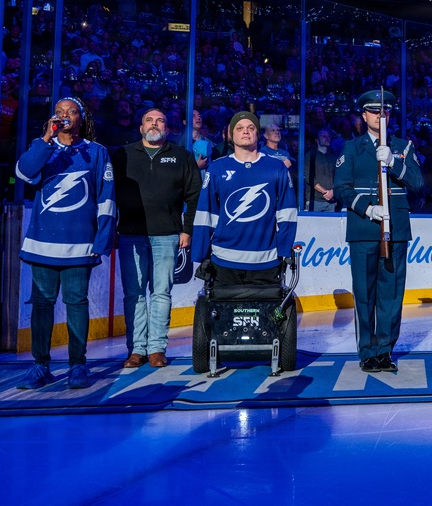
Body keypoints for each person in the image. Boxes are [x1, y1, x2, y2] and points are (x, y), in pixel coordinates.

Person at [14, 97, 115, 389]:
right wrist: (45, 138)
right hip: (43, 243)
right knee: (42, 305)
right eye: (58, 112)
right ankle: (40, 366)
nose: (64, 116)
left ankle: (77, 366)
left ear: (81, 118)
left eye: (70, 111)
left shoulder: (96, 152)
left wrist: (103, 237)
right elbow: (23, 173)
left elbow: (107, 197)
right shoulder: (45, 148)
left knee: (76, 303)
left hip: (80, 245)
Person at [334, 90, 422, 373]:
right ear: (364, 115)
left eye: (384, 111)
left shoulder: (403, 147)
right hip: (363, 229)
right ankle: (367, 351)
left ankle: (384, 350)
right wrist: (368, 209)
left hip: (395, 230)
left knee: (391, 294)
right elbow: (342, 189)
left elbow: (418, 182)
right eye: (373, 111)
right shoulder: (352, 148)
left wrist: (395, 162)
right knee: (364, 293)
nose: (379, 115)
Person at [112, 109, 201, 369]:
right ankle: (137, 349)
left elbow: (194, 196)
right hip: (130, 235)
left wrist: (187, 230)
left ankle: (157, 349)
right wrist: (110, 229)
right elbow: (108, 195)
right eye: (149, 120)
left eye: (160, 120)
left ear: (167, 127)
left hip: (167, 235)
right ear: (141, 128)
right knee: (134, 294)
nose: (154, 124)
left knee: (161, 293)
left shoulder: (182, 157)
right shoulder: (122, 155)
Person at [191, 111, 297, 296]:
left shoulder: (276, 167)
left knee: (268, 323)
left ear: (257, 134)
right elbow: (205, 213)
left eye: (250, 128)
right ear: (231, 135)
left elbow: (287, 213)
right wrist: (201, 254)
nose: (245, 132)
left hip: (266, 261)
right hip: (224, 261)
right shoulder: (217, 168)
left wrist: (284, 250)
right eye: (239, 128)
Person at [305, 128, 337, 211]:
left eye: (328, 136)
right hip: (315, 201)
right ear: (317, 140)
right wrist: (325, 192)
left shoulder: (333, 157)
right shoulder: (310, 156)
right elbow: (309, 177)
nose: (327, 138)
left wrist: (332, 192)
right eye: (323, 136)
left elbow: (338, 176)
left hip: (332, 200)